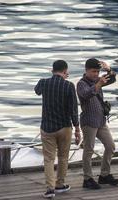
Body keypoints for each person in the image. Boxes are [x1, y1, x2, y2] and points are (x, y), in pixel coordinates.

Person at [34, 60, 81, 198]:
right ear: (65, 71)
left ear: (52, 70)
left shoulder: (43, 82)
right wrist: (77, 128)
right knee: (63, 157)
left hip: (47, 127)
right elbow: (73, 109)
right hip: (64, 127)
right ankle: (60, 184)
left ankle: (50, 189)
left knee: (48, 159)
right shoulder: (69, 85)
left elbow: (37, 91)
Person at [77, 58, 118, 190]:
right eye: (93, 71)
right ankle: (87, 178)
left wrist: (108, 70)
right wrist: (98, 84)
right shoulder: (81, 83)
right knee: (89, 150)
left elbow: (112, 79)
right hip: (89, 121)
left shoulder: (98, 80)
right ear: (86, 70)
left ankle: (104, 175)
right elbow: (86, 95)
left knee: (111, 146)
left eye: (97, 71)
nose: (96, 74)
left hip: (100, 121)